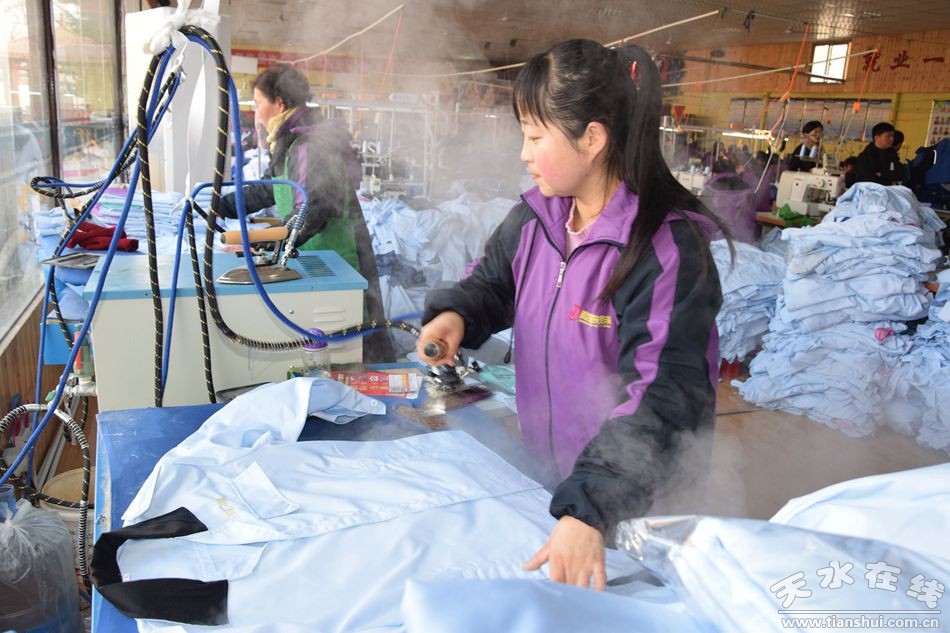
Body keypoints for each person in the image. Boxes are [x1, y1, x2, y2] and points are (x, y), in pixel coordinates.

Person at [417, 40, 725, 591]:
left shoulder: (664, 249)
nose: (523, 153)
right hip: (557, 482)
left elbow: (665, 393)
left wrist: (593, 505)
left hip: (635, 501)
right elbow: (494, 284)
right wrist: (456, 316)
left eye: (535, 137)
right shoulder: (536, 219)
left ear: (592, 138)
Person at [219, 64, 394, 362]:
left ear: (279, 103)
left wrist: (262, 243)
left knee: (360, 335)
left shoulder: (310, 144)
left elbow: (312, 209)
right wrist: (219, 205)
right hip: (315, 251)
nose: (256, 113)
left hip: (341, 254)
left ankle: (382, 382)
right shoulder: (289, 141)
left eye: (258, 104)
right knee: (327, 338)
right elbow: (268, 189)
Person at [849, 122, 902, 187]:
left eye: (892, 136)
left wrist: (881, 174)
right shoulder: (866, 156)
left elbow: (899, 174)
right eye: (888, 136)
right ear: (877, 137)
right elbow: (868, 178)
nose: (891, 139)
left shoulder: (892, 155)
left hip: (887, 190)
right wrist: (888, 179)